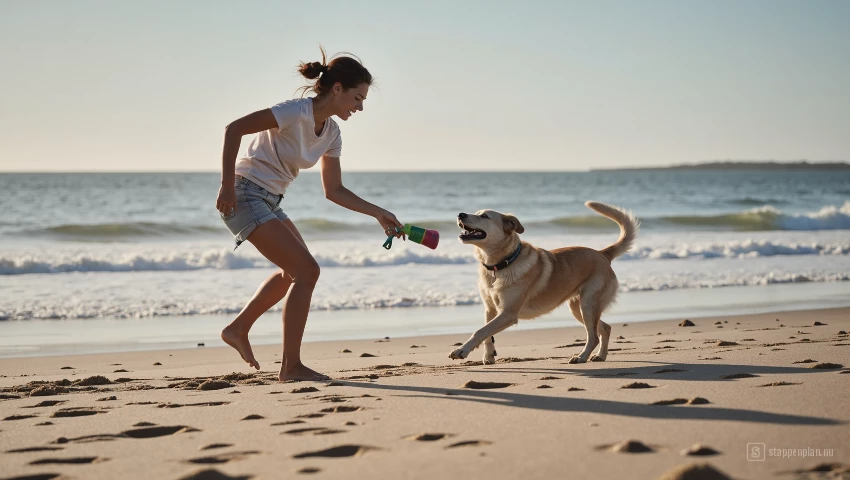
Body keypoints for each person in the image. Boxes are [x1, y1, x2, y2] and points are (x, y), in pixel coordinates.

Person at [215, 47, 404, 381]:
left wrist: (378, 213)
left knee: (294, 273)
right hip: (244, 194)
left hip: (270, 199)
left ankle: (238, 328)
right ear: (337, 89)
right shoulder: (295, 112)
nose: (359, 108)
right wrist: (227, 186)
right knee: (307, 271)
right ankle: (291, 367)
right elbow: (234, 129)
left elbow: (334, 190)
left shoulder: (331, 134)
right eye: (357, 98)